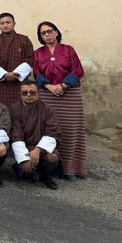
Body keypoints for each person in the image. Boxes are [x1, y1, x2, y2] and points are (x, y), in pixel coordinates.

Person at [33, 21, 86, 180]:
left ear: (56, 32)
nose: (47, 35)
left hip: (69, 95)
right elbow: (36, 73)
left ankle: (70, 169)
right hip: (47, 94)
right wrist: (49, 86)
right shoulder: (37, 53)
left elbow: (77, 70)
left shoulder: (68, 50)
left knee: (70, 130)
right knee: (49, 129)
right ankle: (50, 166)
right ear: (41, 37)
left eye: (50, 31)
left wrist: (63, 85)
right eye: (43, 33)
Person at [10, 80, 61, 190]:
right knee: (26, 170)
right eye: (25, 93)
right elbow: (15, 135)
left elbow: (52, 132)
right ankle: (22, 168)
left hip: (41, 147)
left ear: (39, 93)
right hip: (25, 146)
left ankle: (45, 176)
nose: (28, 95)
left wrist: (38, 150)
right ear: (20, 94)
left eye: (32, 92)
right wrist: (24, 159)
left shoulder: (48, 109)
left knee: (52, 158)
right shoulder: (14, 109)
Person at [0, 12, 34, 107]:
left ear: (14, 23)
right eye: (2, 23)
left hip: (20, 83)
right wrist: (4, 75)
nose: (5, 25)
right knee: (1, 109)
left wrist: (16, 74)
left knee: (21, 108)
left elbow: (30, 58)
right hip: (1, 84)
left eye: (8, 22)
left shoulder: (24, 40)